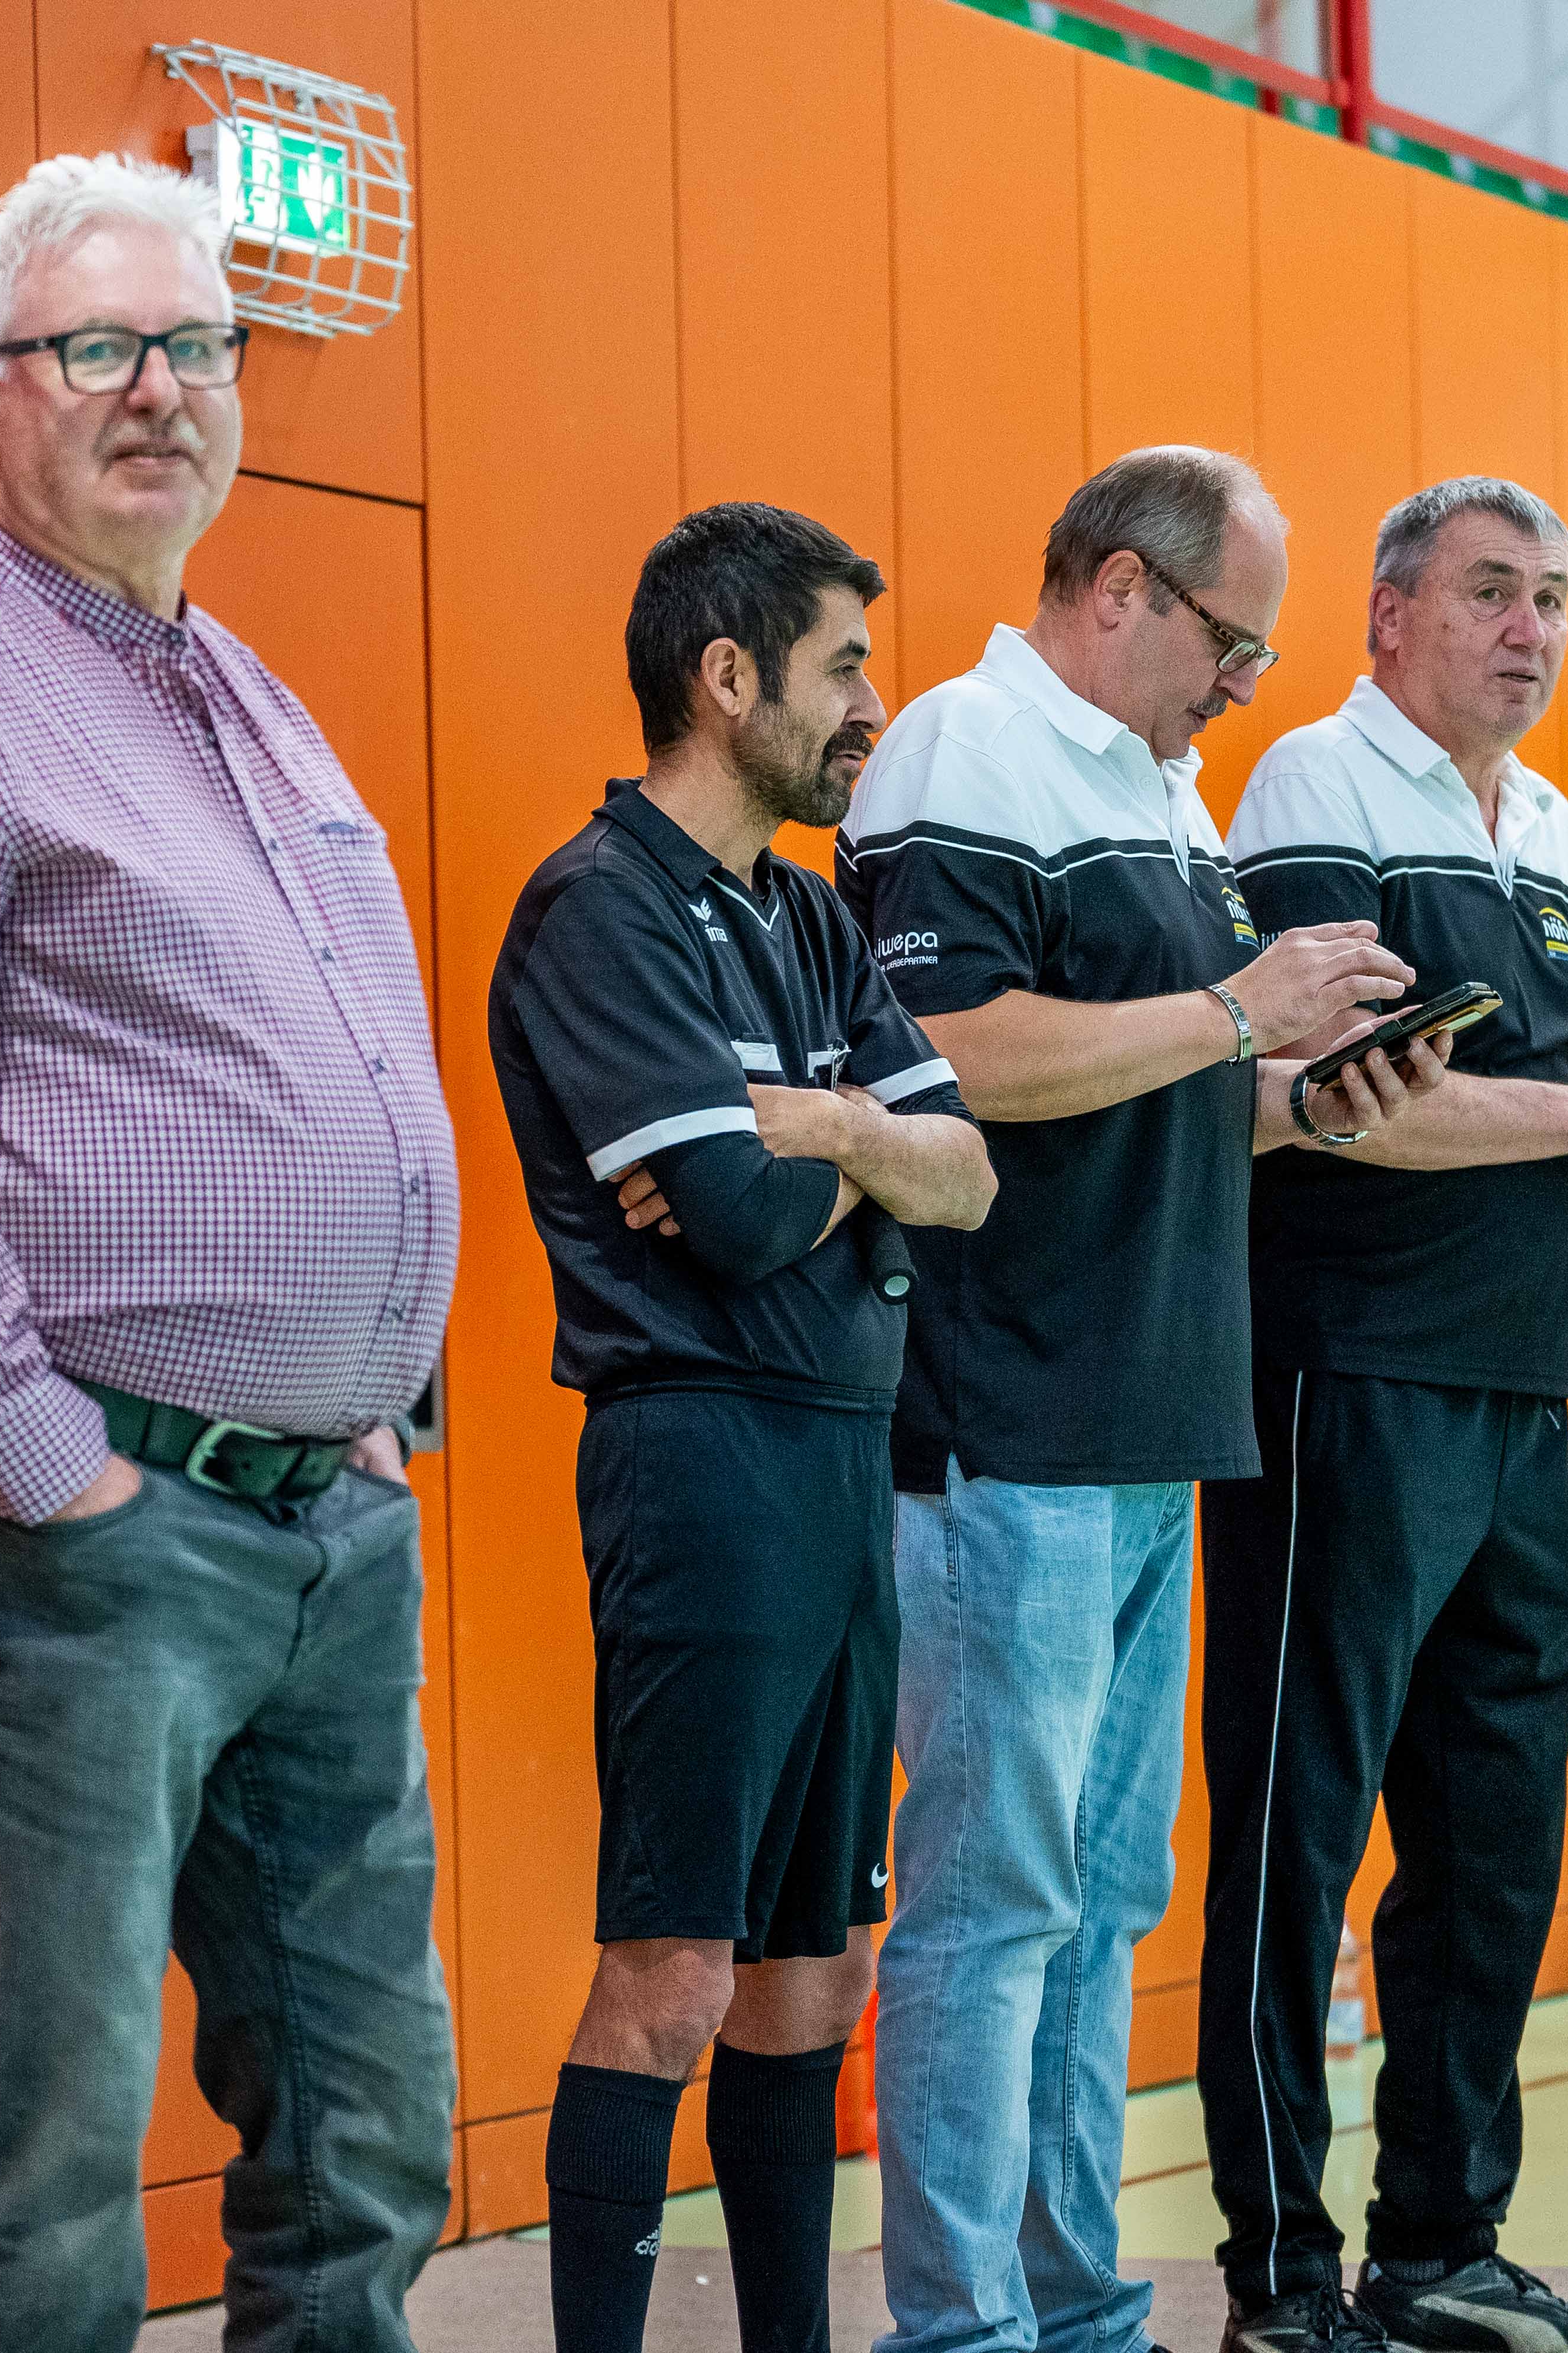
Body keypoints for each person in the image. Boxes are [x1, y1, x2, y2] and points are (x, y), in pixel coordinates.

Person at [0, 150, 457, 2353]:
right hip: (75, 1540)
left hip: (319, 1523)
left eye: (197, 345)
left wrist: (367, 1403)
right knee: (50, 2175)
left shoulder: (241, 687)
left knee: (366, 2139)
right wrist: (50, 1467)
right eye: (96, 349)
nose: (160, 389)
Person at [834, 446, 1450, 2353]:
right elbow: (944, 1055)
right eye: (1231, 644)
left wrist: (1300, 1096)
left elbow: (1155, 1080)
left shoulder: (1163, 792)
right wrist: (1238, 1014)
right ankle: (964, 2328)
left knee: (1100, 1906)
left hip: (1151, 1418)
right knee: (997, 1900)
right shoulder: (963, 755)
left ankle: (1074, 2305)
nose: (1245, 687)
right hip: (1007, 1417)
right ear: (1119, 588)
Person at [1198, 477, 1568, 2353]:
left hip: (1523, 1398)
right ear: (1389, 615)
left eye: (1552, 599)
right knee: (1298, 1836)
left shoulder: (1551, 827)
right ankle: (1283, 2278)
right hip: (1349, 1380)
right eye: (1490, 593)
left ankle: (1442, 2247)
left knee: (1489, 1846)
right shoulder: (1318, 783)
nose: (1530, 632)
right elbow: (1337, 1095)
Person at [492, 504, 998, 2353]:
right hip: (698, 1458)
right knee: (678, 1970)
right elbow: (732, 1214)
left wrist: (830, 1129)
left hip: (839, 1456)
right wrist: (848, 1158)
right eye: (844, 665)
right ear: (728, 677)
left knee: (815, 1972)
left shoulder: (809, 915)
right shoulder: (598, 908)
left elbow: (969, 1175)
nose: (873, 703)